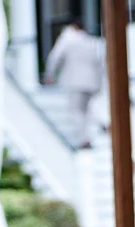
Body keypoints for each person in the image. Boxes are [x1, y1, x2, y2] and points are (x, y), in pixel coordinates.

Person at [44, 21, 103, 149]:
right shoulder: (91, 43)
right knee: (86, 112)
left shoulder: (67, 40)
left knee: (76, 111)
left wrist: (50, 75)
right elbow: (99, 65)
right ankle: (87, 137)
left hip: (74, 82)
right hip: (91, 83)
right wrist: (99, 84)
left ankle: (84, 140)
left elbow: (55, 57)